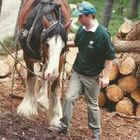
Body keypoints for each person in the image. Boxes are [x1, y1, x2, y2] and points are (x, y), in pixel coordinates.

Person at [48, 1, 116, 139]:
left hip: (92, 77)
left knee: (92, 105)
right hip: (77, 73)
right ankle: (63, 126)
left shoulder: (102, 34)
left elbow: (110, 56)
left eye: (80, 16)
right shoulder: (81, 30)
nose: (78, 19)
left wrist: (106, 76)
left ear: (89, 16)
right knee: (69, 98)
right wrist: (63, 44)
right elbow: (78, 43)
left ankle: (96, 133)